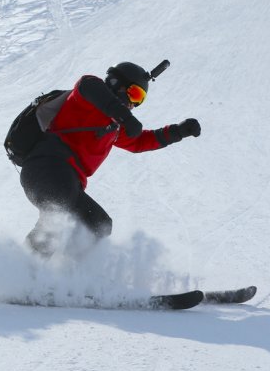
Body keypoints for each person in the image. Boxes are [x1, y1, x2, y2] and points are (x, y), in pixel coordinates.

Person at [20, 61, 201, 257]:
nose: (134, 104)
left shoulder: (113, 128)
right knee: (83, 220)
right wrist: (125, 117)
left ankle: (32, 272)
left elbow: (139, 142)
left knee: (78, 224)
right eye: (134, 94)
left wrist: (178, 131)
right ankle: (56, 275)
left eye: (140, 100)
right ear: (116, 83)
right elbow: (90, 87)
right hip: (49, 168)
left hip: (60, 181)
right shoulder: (86, 94)